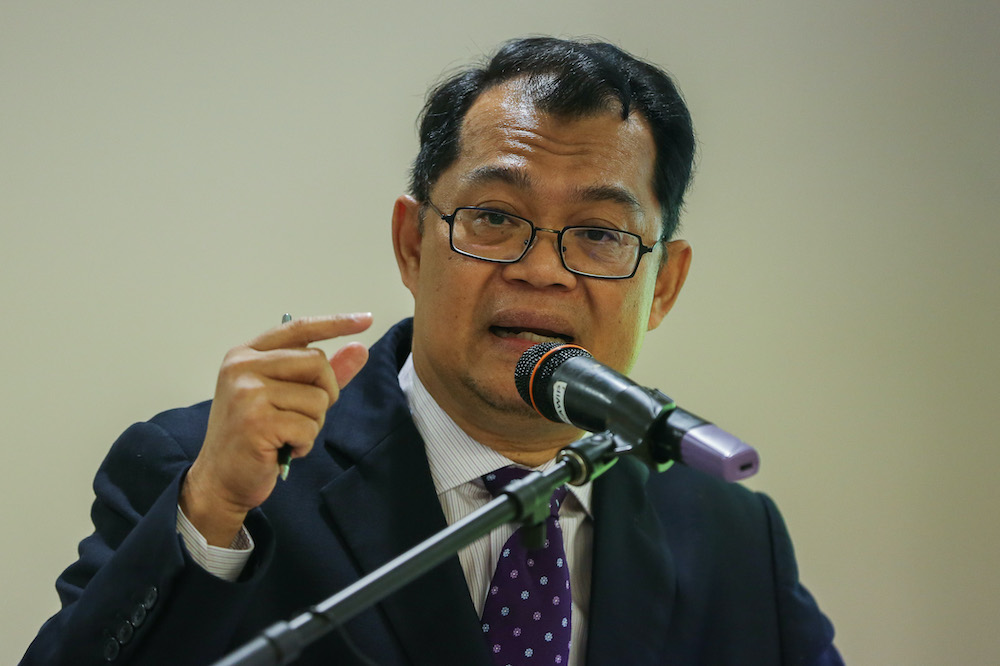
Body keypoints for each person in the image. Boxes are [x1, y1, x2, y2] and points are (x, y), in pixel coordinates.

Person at [22, 36, 843, 665]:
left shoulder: (731, 535)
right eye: (494, 218)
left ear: (664, 286)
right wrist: (207, 514)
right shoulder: (218, 477)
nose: (541, 270)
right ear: (413, 244)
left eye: (598, 234)